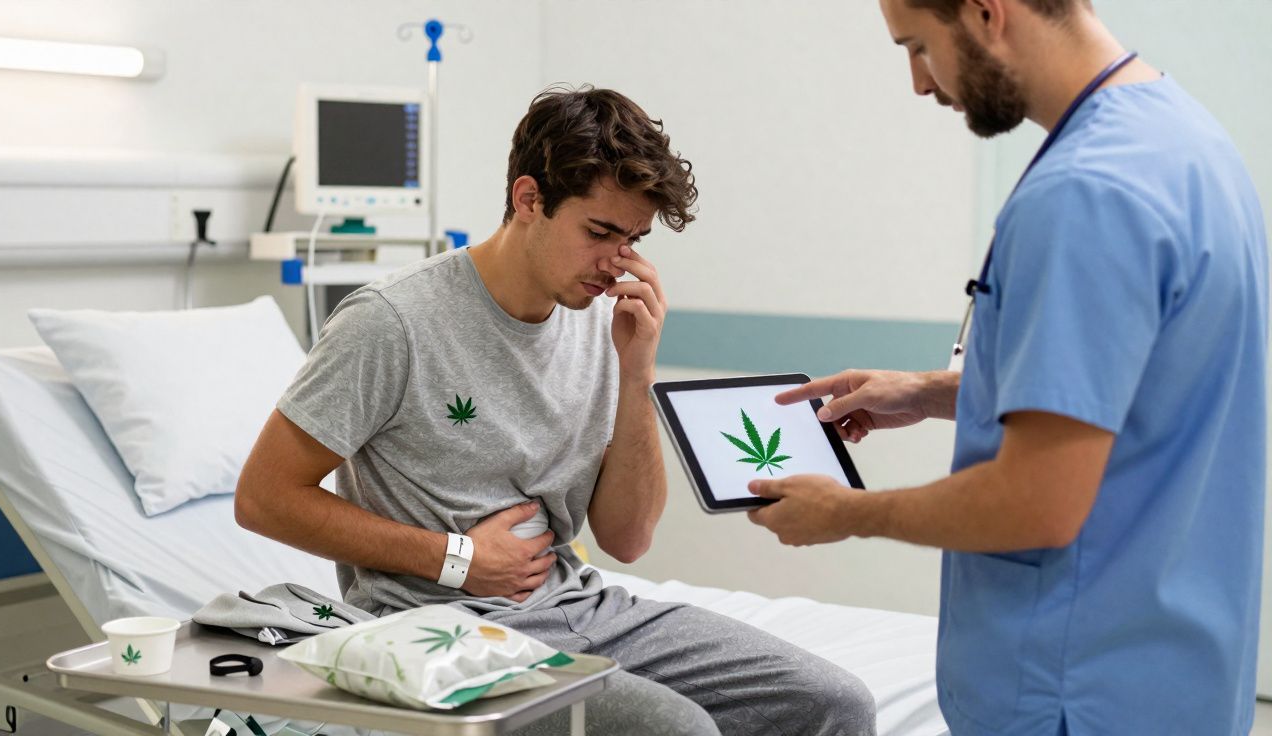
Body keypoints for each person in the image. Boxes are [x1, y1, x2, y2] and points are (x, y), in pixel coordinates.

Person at [236, 85, 876, 735]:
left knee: (834, 703)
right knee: (674, 730)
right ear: (528, 199)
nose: (615, 263)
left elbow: (627, 539)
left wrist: (638, 372)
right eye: (599, 232)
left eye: (632, 239)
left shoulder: (603, 322)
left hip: (578, 608)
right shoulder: (393, 322)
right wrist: (452, 556)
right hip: (440, 631)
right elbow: (262, 496)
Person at [747, 1, 1268, 734]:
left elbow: (1037, 504)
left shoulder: (1082, 194)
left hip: (1077, 694)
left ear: (987, 11)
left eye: (920, 46)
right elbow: (1145, 392)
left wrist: (849, 514)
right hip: (1183, 682)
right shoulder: (1189, 143)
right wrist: (929, 393)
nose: (919, 84)